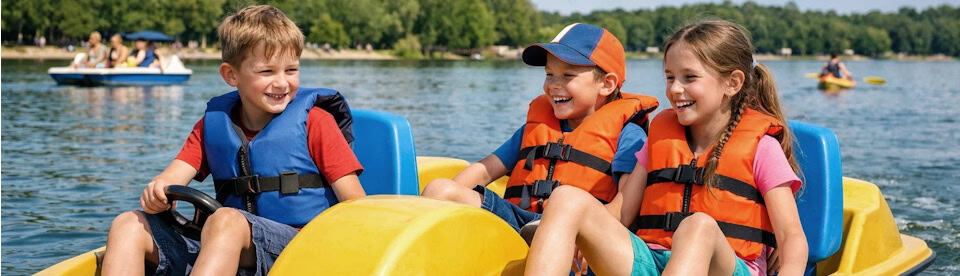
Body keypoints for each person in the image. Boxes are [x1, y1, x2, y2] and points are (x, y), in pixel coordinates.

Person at [525, 20, 808, 276]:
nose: (675, 89)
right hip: (653, 260)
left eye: (690, 78)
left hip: (725, 267)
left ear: (732, 83)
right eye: (670, 77)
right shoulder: (659, 139)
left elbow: (792, 238)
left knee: (698, 227)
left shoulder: (763, 148)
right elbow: (621, 212)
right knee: (566, 198)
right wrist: (583, 230)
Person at [100, 5, 366, 275]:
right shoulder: (212, 125)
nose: (282, 83)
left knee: (225, 220)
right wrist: (156, 193)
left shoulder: (316, 122)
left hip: (298, 251)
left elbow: (355, 205)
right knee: (128, 223)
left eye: (291, 70)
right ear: (231, 75)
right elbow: (170, 179)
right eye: (267, 72)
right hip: (224, 245)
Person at [421, 23, 659, 273]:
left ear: (607, 84)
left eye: (568, 76)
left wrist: (589, 239)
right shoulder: (535, 129)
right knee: (441, 188)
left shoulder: (628, 134)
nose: (553, 85)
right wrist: (451, 203)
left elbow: (624, 208)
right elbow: (482, 171)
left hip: (575, 229)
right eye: (549, 74)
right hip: (521, 220)